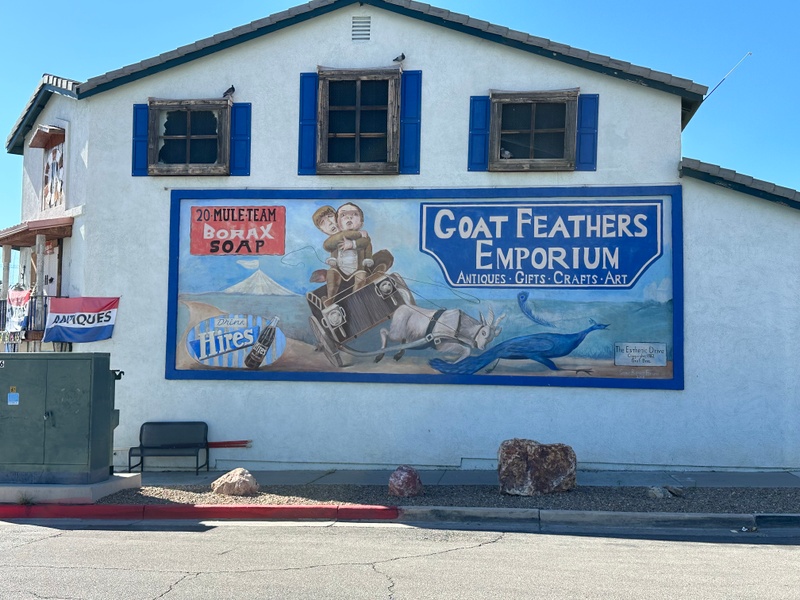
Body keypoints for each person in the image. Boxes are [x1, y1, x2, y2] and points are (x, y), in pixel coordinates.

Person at [312, 203, 373, 305]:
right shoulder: (332, 240)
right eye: (323, 222)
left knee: (361, 276)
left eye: (330, 217)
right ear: (322, 230)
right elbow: (329, 244)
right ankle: (329, 301)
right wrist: (358, 234)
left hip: (357, 269)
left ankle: (356, 300)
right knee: (332, 274)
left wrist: (365, 255)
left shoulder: (355, 231)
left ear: (338, 218)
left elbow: (366, 242)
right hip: (340, 272)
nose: (329, 223)